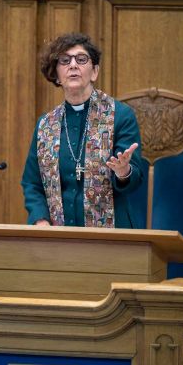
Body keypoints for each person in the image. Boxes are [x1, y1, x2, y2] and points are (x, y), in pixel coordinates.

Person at [22, 32, 144, 228]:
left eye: (81, 59)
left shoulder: (120, 116)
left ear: (94, 71)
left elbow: (135, 179)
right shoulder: (45, 124)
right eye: (64, 60)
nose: (73, 65)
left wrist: (124, 172)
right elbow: (32, 183)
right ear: (56, 75)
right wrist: (40, 219)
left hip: (112, 238)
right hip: (58, 237)